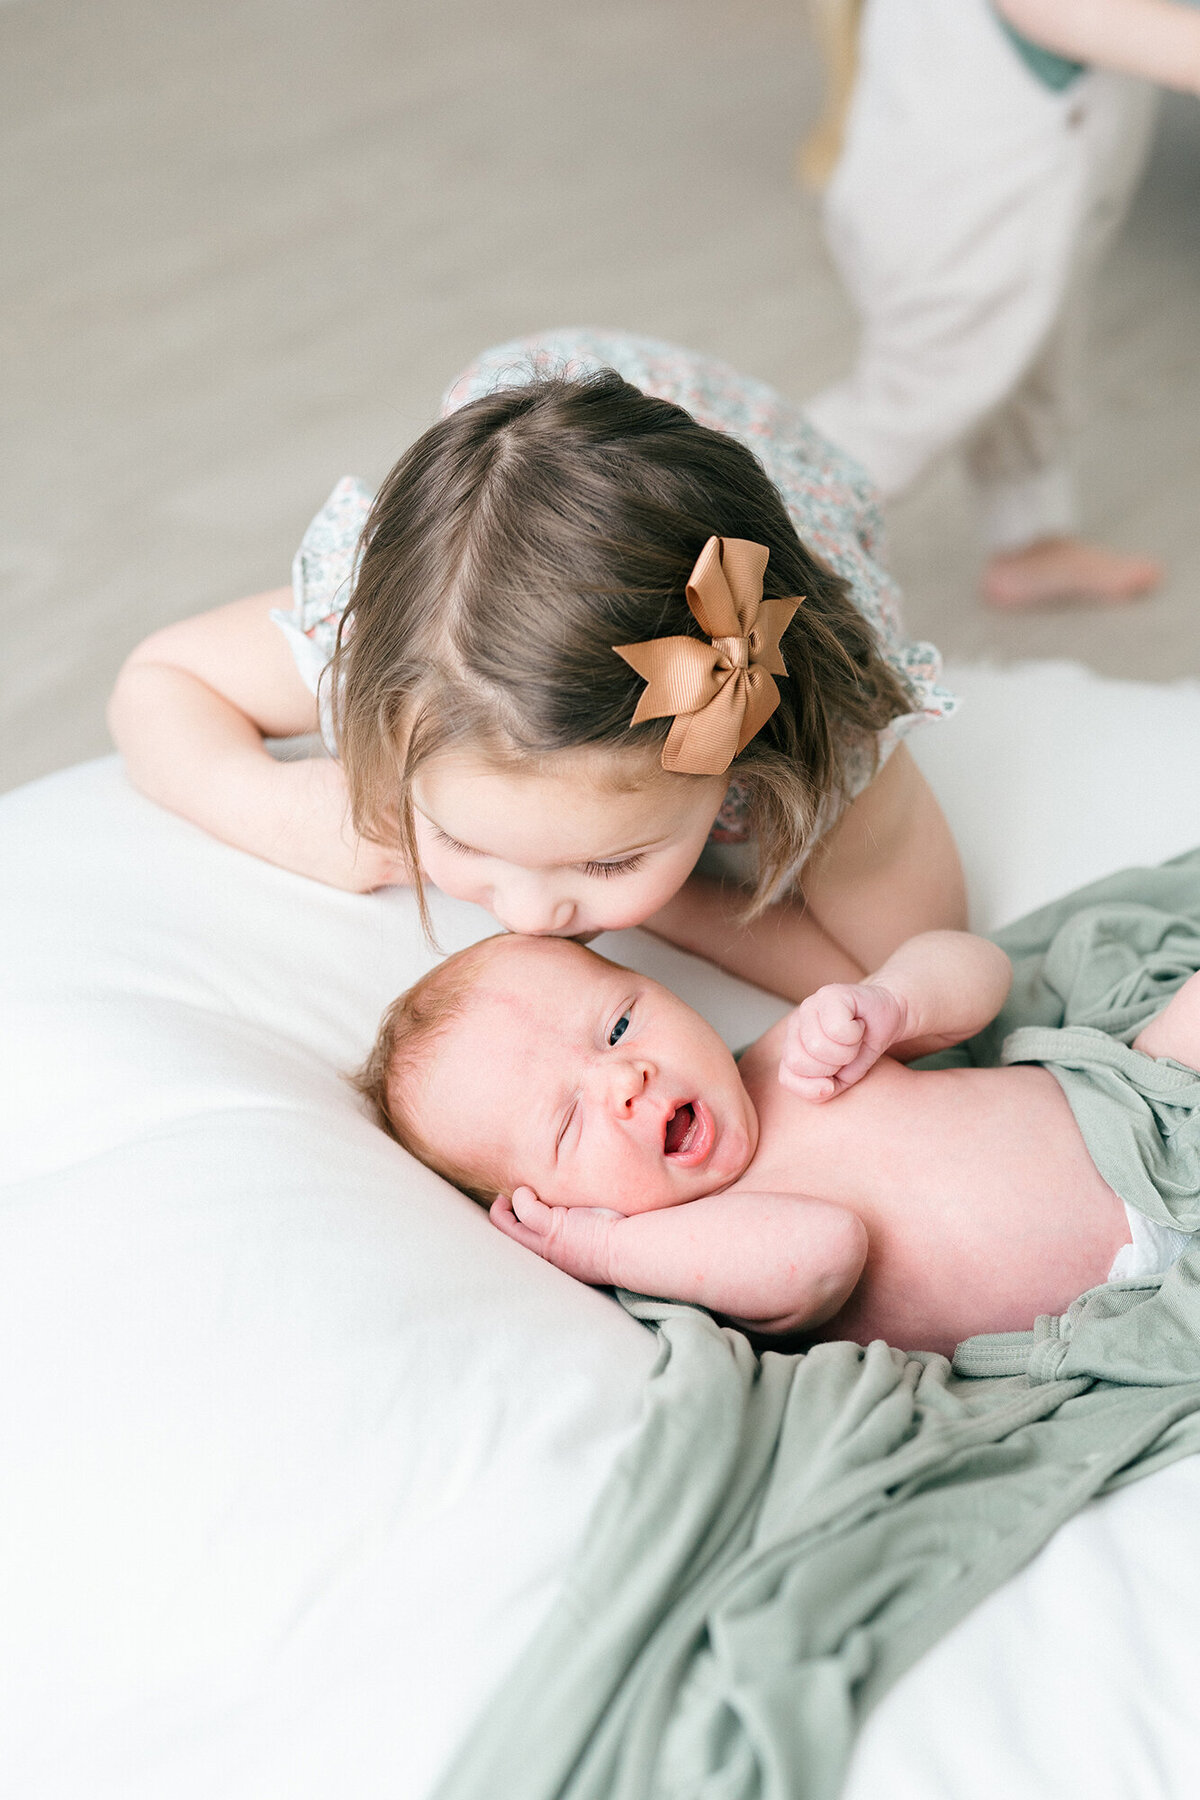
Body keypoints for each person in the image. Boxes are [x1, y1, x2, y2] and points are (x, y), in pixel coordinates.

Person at [107, 331, 962, 1003]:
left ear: (736, 763)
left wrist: (687, 908)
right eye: (459, 838)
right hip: (542, 426)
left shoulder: (814, 730)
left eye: (608, 863)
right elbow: (158, 683)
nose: (526, 916)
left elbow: (915, 963)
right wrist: (281, 810)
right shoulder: (401, 655)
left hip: (741, 447)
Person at [354, 915, 1200, 1359]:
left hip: (1143, 1103)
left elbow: (981, 968)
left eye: (618, 1025)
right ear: (549, 1206)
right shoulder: (688, 1250)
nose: (625, 1079)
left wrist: (896, 999)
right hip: (1136, 1277)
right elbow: (826, 1245)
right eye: (569, 1122)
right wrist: (606, 1253)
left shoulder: (792, 1051)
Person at [803, 0, 1200, 609]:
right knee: (915, 402)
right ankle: (744, 530)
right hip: (957, 215)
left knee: (1032, 372)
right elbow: (1080, 17)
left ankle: (1029, 538)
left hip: (1047, 195)